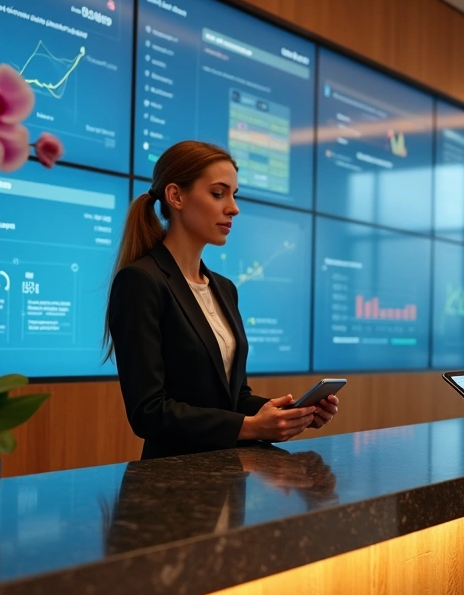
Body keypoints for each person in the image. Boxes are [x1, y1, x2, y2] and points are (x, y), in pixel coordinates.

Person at [104, 141, 339, 459]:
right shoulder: (141, 281)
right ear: (176, 196)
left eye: (234, 194)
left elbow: (234, 398)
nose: (233, 208)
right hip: (171, 485)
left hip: (229, 477)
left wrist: (290, 415)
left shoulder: (224, 288)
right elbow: (148, 412)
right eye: (218, 193)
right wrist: (253, 427)